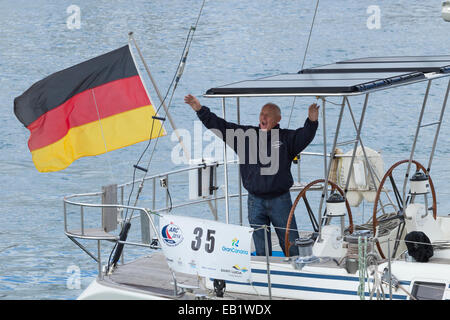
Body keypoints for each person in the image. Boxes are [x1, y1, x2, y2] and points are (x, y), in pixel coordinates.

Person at [184, 94, 319, 256]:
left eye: (268, 115)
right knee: (262, 250)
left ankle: (299, 272)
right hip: (255, 201)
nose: (263, 117)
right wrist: (200, 110)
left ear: (278, 119)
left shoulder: (287, 138)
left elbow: (305, 135)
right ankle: (265, 275)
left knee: (292, 246)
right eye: (262, 114)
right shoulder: (245, 137)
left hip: (280, 201)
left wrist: (311, 121)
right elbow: (220, 126)